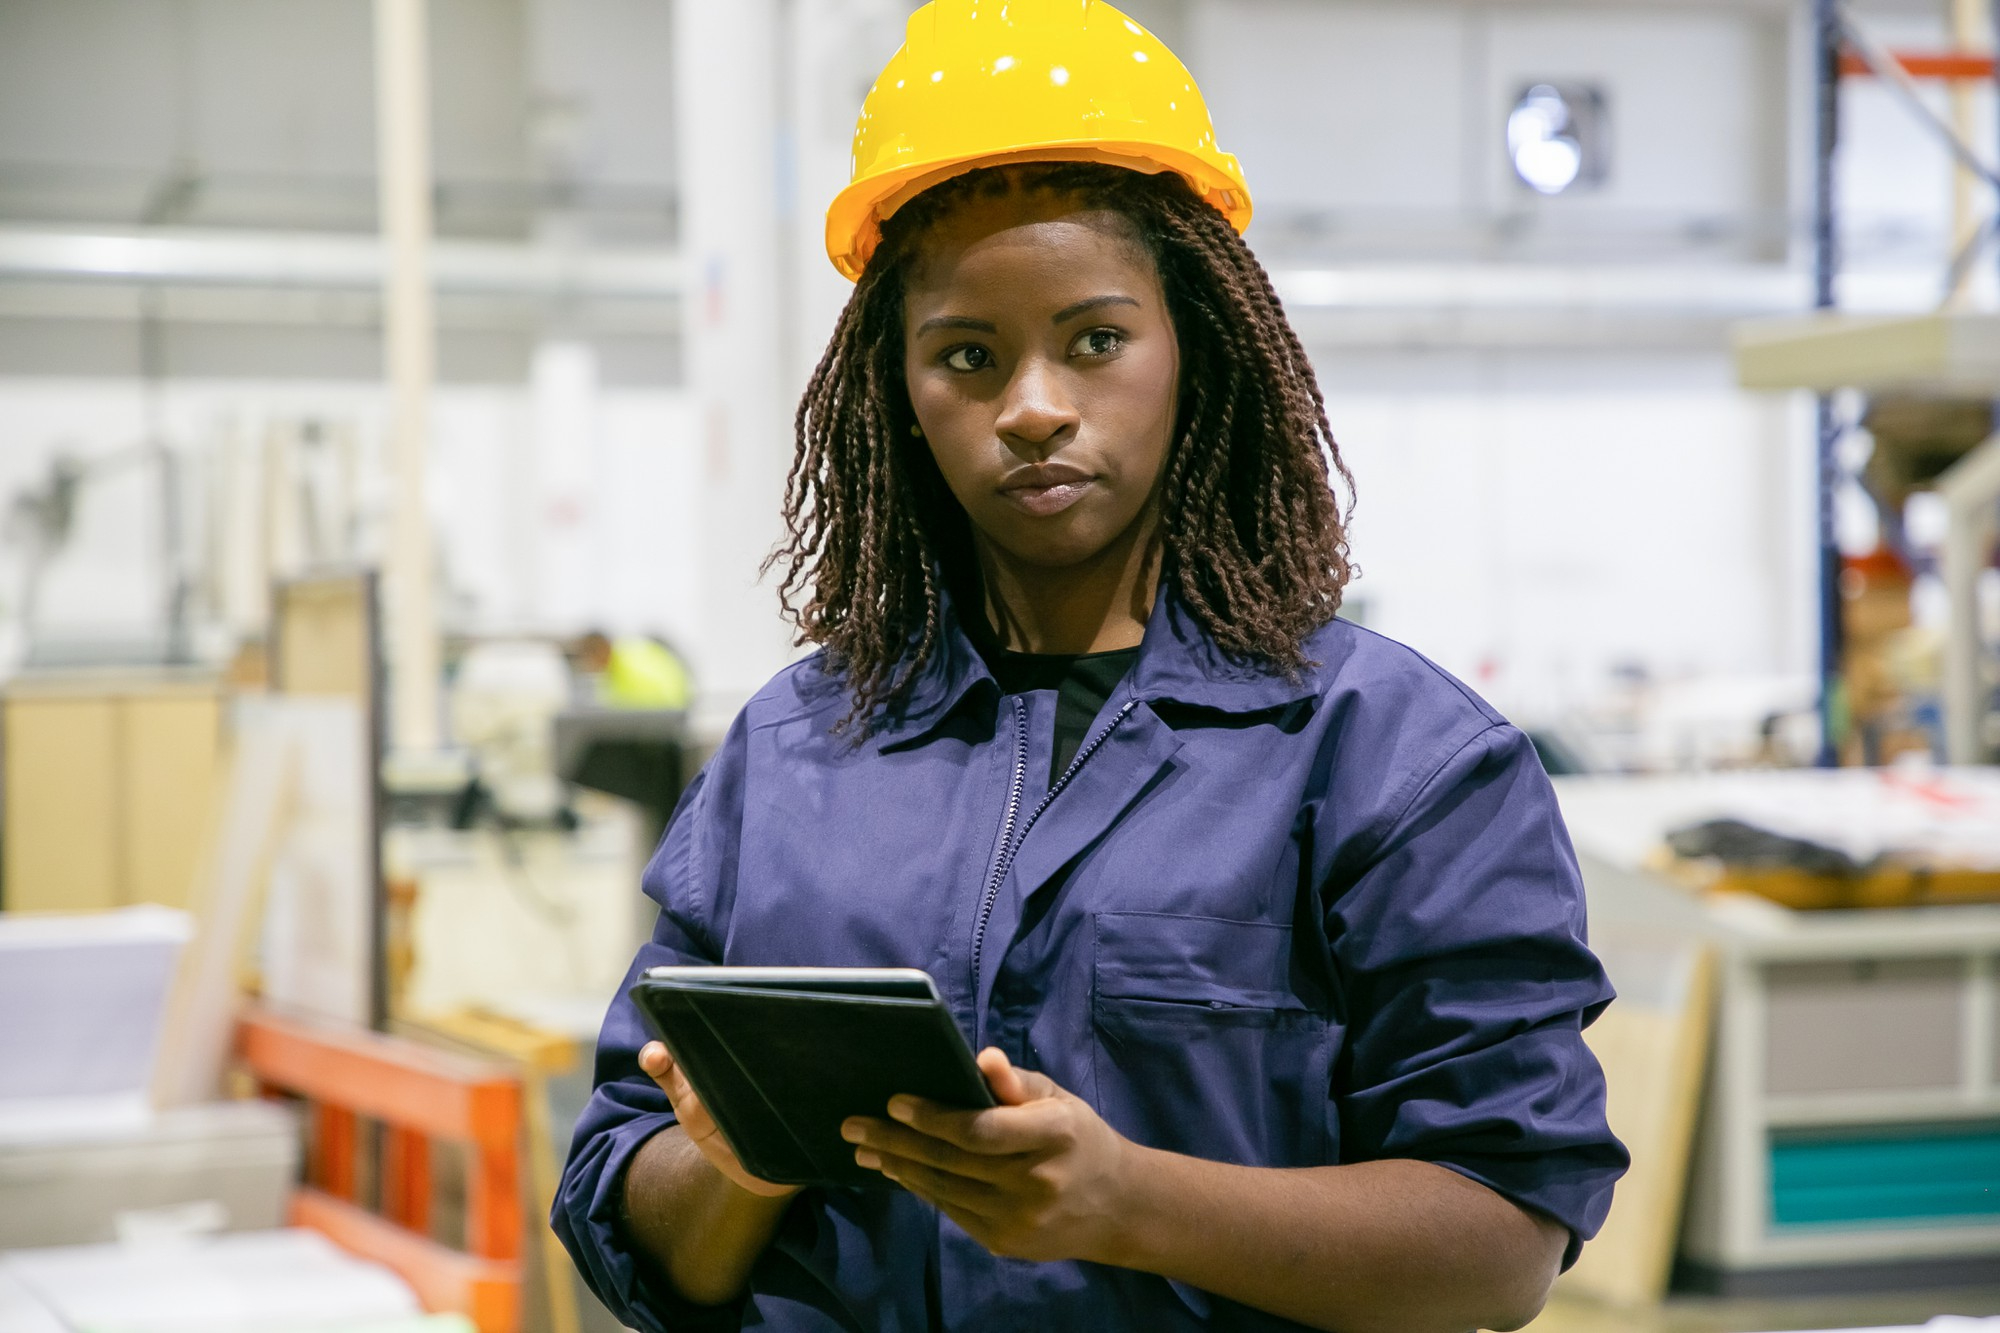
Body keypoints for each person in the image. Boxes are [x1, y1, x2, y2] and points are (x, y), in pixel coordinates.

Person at [554, 3, 1627, 1329]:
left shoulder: (1393, 760)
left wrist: (1128, 1201)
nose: (1033, 406)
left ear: (1195, 350)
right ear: (899, 392)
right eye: (968, 355)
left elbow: (1502, 1238)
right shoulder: (790, 757)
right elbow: (622, 1205)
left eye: (1096, 341)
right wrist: (743, 1162)